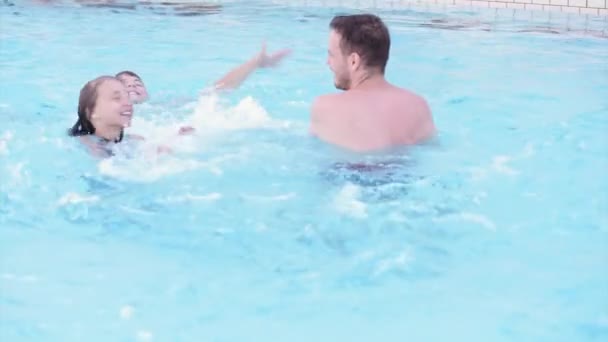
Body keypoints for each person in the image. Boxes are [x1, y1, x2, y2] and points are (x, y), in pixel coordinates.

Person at [310, 14, 436, 152]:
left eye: (332, 55)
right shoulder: (418, 106)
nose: (328, 62)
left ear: (353, 61)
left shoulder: (325, 106)